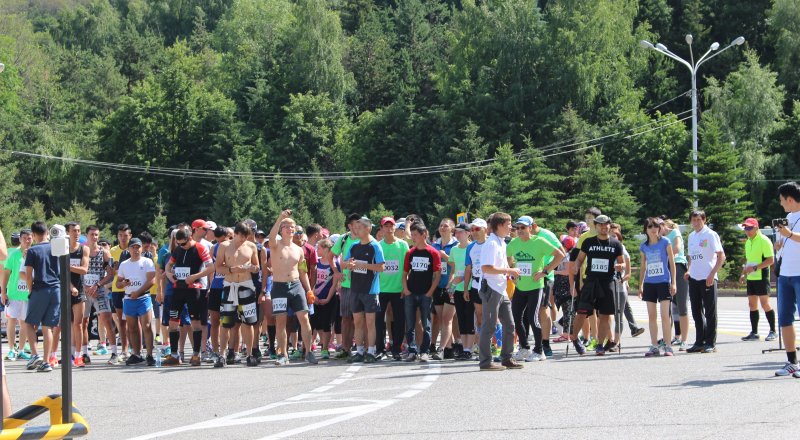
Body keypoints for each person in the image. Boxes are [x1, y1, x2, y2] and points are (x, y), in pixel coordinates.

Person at [508, 216, 564, 362]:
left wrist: (545, 271)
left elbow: (560, 255)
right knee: (516, 317)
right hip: (520, 286)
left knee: (533, 318)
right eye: (517, 228)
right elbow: (509, 258)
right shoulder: (514, 243)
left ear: (530, 228)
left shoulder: (539, 241)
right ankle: (525, 348)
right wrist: (512, 270)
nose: (519, 230)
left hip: (535, 287)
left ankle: (539, 351)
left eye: (523, 227)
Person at [569, 215, 625, 356]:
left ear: (609, 226)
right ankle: (575, 338)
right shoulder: (588, 242)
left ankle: (600, 345)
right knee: (582, 312)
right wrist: (576, 266)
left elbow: (622, 262)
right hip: (591, 281)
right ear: (595, 226)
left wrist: (620, 266)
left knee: (605, 315)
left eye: (606, 225)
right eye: (600, 225)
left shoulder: (616, 244)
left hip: (607, 282)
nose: (603, 227)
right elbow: (580, 259)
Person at [269, 210, 317, 365]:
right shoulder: (275, 245)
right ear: (281, 230)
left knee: (304, 318)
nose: (290, 229)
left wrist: (308, 290)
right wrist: (280, 217)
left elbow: (303, 272)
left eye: (293, 227)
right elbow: (271, 235)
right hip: (279, 286)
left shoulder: (299, 250)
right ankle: (283, 354)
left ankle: (308, 351)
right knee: (281, 321)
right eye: (287, 227)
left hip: (296, 285)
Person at [163, 228, 215, 366]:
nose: (181, 246)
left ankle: (196, 355)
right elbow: (168, 265)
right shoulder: (178, 249)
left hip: (193, 290)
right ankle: (174, 355)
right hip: (178, 290)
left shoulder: (200, 248)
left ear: (190, 238)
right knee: (173, 322)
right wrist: (170, 276)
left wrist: (195, 277)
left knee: (195, 323)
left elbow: (211, 268)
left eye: (183, 243)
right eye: (179, 243)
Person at [478, 212, 522, 371]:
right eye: (508, 224)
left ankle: (507, 358)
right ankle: (485, 362)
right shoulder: (491, 244)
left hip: (501, 289)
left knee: (510, 325)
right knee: (489, 326)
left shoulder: (501, 242)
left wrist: (508, 273)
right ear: (500, 225)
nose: (511, 227)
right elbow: (486, 268)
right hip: (492, 288)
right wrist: (509, 270)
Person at [216, 222, 261, 367]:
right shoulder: (224, 246)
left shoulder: (251, 246)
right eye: (241, 235)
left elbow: (257, 267)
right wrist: (231, 270)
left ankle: (249, 354)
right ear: (235, 233)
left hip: (246, 286)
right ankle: (222, 355)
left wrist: (251, 267)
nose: (243, 239)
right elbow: (218, 267)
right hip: (229, 286)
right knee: (226, 322)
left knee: (249, 322)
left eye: (246, 236)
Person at [343, 217, 385, 363]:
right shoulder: (353, 246)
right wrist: (348, 264)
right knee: (358, 322)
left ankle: (371, 351)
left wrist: (362, 266)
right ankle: (359, 351)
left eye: (360, 227)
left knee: (370, 322)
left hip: (371, 290)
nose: (356, 230)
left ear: (368, 229)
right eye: (356, 227)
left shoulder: (375, 246)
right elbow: (344, 264)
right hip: (355, 289)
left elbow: (381, 267)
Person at [685, 210, 725, 354]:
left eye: (698, 220)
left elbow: (721, 256)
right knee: (696, 311)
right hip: (694, 278)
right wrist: (689, 270)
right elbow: (691, 257)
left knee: (710, 311)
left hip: (707, 278)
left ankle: (710, 343)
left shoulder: (710, 234)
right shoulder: (691, 236)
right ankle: (699, 341)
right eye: (693, 220)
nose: (696, 223)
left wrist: (712, 274)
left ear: (704, 220)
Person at [23, 221, 61, 372]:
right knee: (48, 327)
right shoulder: (56, 247)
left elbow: (28, 275)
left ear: (33, 234)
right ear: (47, 232)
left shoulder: (33, 250)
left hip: (40, 288)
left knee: (29, 323)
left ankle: (35, 354)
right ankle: (46, 361)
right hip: (56, 289)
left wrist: (30, 290)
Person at [638, 217, 677, 357]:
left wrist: (673, 283)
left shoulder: (665, 242)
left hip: (663, 282)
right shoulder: (644, 246)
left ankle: (668, 346)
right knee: (652, 316)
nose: (653, 229)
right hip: (649, 283)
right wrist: (640, 284)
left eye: (655, 226)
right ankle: (654, 345)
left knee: (665, 315)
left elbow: (672, 263)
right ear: (645, 230)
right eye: (650, 227)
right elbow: (643, 266)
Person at [402, 222, 440, 362]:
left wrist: (430, 292)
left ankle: (424, 351)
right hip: (411, 293)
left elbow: (437, 275)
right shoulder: (410, 252)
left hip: (426, 294)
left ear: (424, 235)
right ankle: (412, 351)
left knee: (426, 324)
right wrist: (406, 289)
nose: (413, 237)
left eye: (415, 235)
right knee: (410, 324)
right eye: (411, 235)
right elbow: (405, 273)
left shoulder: (433, 252)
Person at [773, 182, 800, 377]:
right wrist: (779, 244)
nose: (781, 204)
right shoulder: (788, 218)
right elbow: (786, 242)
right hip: (785, 276)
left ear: (790, 199)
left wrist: (788, 234)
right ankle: (792, 361)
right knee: (784, 319)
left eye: (782, 200)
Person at [115, 238, 157, 366]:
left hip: (143, 297)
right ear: (128, 249)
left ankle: (150, 354)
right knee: (132, 328)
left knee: (147, 326)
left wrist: (138, 292)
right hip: (128, 299)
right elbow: (118, 283)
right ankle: (136, 354)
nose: (136, 249)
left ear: (141, 248)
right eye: (133, 247)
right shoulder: (124, 264)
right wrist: (123, 283)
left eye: (138, 247)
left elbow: (152, 281)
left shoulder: (147, 261)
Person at [376, 217, 409, 361]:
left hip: (398, 289)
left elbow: (407, 268)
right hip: (381, 289)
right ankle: (380, 349)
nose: (389, 228)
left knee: (399, 320)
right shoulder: (378, 245)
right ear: (382, 228)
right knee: (379, 320)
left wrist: (405, 286)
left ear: (395, 227)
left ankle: (396, 349)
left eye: (391, 225)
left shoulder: (403, 245)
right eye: (386, 226)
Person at [739, 218, 777, 342]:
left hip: (761, 276)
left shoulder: (764, 240)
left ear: (756, 228)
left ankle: (773, 331)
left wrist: (755, 268)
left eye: (749, 228)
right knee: (752, 304)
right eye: (745, 228)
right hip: (751, 277)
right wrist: (743, 273)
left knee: (765, 304)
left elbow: (770, 260)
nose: (747, 231)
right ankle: (754, 332)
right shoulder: (748, 242)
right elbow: (748, 260)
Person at [82, 225, 115, 363]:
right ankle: (84, 353)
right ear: (87, 235)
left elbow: (111, 274)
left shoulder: (104, 252)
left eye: (96, 235)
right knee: (83, 322)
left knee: (106, 319)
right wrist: (85, 287)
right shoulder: (81, 250)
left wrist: (97, 285)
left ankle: (114, 352)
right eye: (92, 234)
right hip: (84, 291)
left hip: (99, 290)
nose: (94, 237)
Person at [331, 213, 362, 359]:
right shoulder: (344, 239)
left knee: (360, 318)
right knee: (346, 318)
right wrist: (336, 272)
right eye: (356, 223)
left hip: (363, 284)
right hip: (347, 284)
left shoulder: (367, 238)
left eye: (360, 222)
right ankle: (345, 347)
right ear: (350, 226)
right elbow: (330, 256)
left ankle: (363, 348)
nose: (358, 225)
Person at [2, 229, 33, 362]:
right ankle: (11, 350)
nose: (27, 240)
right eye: (24, 238)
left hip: (28, 294)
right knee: (12, 321)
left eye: (29, 238)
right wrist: (3, 292)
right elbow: (6, 274)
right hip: (13, 294)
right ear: (20, 239)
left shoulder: (34, 254)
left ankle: (21, 350)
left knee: (25, 323)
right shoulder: (13, 255)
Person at [431, 218, 457, 359]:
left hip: (451, 286)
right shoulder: (434, 245)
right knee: (441, 318)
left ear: (452, 229)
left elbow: (457, 265)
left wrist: (445, 257)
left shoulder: (456, 245)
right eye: (441, 225)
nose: (442, 228)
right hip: (438, 285)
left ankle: (441, 349)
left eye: (446, 226)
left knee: (447, 319)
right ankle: (449, 347)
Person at [663, 218, 689, 350]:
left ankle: (684, 339)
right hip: (666, 267)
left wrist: (664, 255)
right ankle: (670, 337)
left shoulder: (674, 232)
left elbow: (677, 248)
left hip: (678, 266)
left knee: (682, 305)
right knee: (670, 305)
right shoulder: (660, 237)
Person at [311, 239, 340, 359]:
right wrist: (314, 296)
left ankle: (325, 348)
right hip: (315, 298)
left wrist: (328, 298)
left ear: (326, 249)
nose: (317, 250)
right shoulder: (316, 263)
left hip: (329, 298)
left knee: (326, 324)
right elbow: (311, 280)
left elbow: (334, 284)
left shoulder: (334, 264)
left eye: (319, 248)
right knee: (316, 324)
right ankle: (310, 346)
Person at [66, 222, 90, 368]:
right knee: (67, 325)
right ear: (67, 232)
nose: (76, 233)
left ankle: (78, 355)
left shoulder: (84, 249)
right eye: (73, 231)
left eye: (78, 231)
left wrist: (67, 266)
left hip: (79, 290)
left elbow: (84, 270)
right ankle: (68, 354)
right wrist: (69, 286)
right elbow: (58, 272)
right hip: (65, 289)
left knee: (78, 324)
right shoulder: (62, 250)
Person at [464, 219, 488, 358]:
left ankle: (495, 345)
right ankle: (480, 345)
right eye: (472, 229)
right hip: (475, 284)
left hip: (490, 284)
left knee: (492, 316)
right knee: (479, 317)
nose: (474, 232)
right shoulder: (470, 247)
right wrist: (466, 288)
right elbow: (468, 268)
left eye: (477, 229)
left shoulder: (492, 243)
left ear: (485, 229)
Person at [449, 223, 473, 360]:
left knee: (470, 319)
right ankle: (465, 349)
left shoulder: (473, 247)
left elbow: (475, 269)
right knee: (461, 319)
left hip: (470, 288)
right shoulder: (454, 250)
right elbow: (453, 271)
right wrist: (451, 286)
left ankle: (470, 349)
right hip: (457, 289)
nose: (457, 234)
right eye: (456, 232)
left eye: (460, 232)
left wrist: (463, 278)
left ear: (468, 233)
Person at [109, 224, 132, 361]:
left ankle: (136, 349)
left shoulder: (134, 250)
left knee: (134, 321)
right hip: (117, 289)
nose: (123, 238)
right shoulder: (112, 251)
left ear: (130, 236)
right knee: (121, 322)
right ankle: (124, 349)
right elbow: (110, 272)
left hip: (131, 289)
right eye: (120, 235)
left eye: (126, 235)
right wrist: (114, 270)